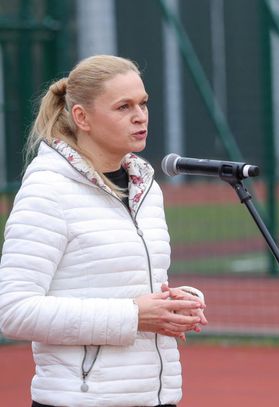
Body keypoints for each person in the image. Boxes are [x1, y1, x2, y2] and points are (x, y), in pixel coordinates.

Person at [0, 54, 208, 407]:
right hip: (79, 400)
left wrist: (177, 302)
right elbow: (14, 312)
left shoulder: (146, 188)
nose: (140, 115)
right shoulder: (47, 190)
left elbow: (129, 286)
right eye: (123, 107)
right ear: (81, 117)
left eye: (143, 103)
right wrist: (134, 315)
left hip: (157, 397)